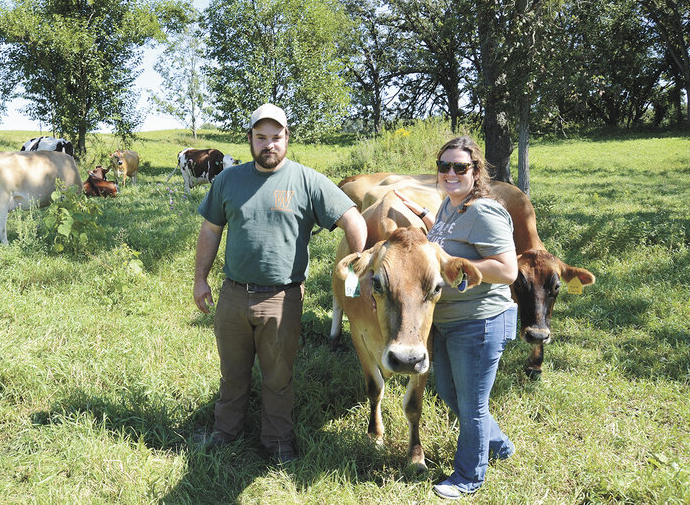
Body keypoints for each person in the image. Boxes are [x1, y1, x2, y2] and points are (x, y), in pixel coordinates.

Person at [193, 103, 368, 464]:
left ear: (287, 138)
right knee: (232, 373)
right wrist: (200, 279)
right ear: (250, 140)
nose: (269, 144)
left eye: (276, 137)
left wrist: (355, 271)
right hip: (233, 296)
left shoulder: (306, 181)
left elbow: (354, 220)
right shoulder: (228, 181)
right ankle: (225, 434)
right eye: (261, 137)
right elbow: (210, 230)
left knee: (278, 376)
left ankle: (277, 442)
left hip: (282, 298)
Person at [399, 136, 518, 499]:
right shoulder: (452, 207)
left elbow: (508, 269)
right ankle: (499, 446)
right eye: (443, 166)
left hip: (478, 321)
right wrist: (422, 215)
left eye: (460, 167)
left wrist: (458, 268)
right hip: (448, 321)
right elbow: (446, 237)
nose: (450, 173)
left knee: (471, 405)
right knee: (451, 394)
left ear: (476, 171)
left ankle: (468, 476)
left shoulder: (483, 211)